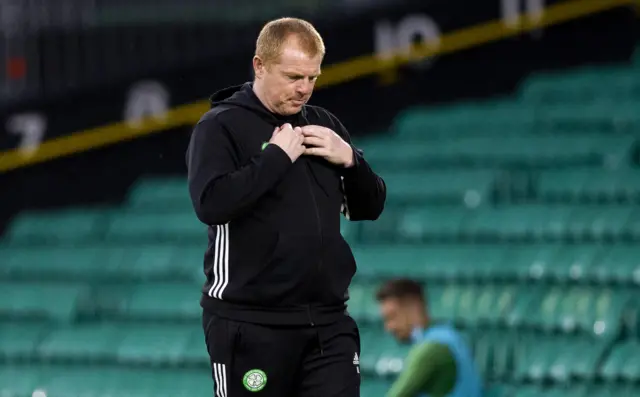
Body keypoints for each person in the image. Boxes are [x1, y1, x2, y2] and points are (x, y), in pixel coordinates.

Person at [186, 17, 386, 397]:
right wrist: (275, 158)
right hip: (250, 325)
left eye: (312, 77)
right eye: (293, 76)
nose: (304, 89)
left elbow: (370, 207)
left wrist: (352, 161)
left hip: (328, 324)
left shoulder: (324, 124)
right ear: (259, 65)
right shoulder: (220, 126)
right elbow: (210, 204)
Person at [375, 279, 483, 397]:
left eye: (392, 317)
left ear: (413, 307)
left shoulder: (432, 349)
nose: (388, 327)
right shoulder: (449, 336)